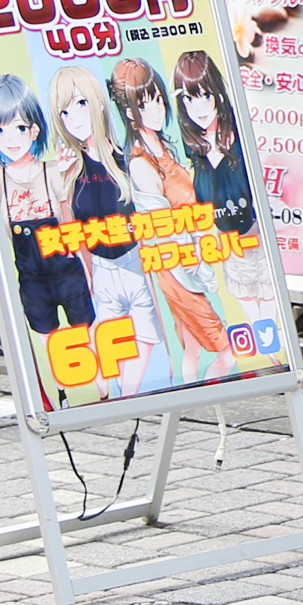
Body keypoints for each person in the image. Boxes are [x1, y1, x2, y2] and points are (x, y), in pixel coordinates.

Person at [108, 58, 231, 382]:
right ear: (131, 113)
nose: (158, 109)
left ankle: (190, 404)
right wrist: (195, 269)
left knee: (190, 348)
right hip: (175, 267)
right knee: (227, 352)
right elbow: (163, 230)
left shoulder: (165, 147)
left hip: (185, 258)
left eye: (159, 99)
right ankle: (206, 397)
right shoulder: (141, 163)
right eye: (146, 104)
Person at [50, 69, 163, 397]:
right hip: (101, 267)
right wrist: (86, 272)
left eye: (81, 103)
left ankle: (127, 398)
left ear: (99, 104)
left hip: (134, 260)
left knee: (146, 333)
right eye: (64, 112)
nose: (74, 119)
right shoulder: (71, 170)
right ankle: (112, 395)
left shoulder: (128, 158)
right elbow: (70, 228)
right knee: (107, 337)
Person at [0, 73, 93, 344]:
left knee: (89, 343)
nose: (9, 139)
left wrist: (88, 274)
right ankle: (59, 390)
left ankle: (103, 390)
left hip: (67, 271)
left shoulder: (52, 171)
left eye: (19, 128)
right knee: (51, 349)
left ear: (34, 130)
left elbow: (70, 224)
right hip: (32, 280)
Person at [174, 51, 275, 310]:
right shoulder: (190, 148)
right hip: (227, 245)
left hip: (261, 237)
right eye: (189, 98)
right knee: (248, 301)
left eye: (206, 96)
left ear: (218, 94)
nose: (200, 108)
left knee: (270, 298)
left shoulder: (241, 132)